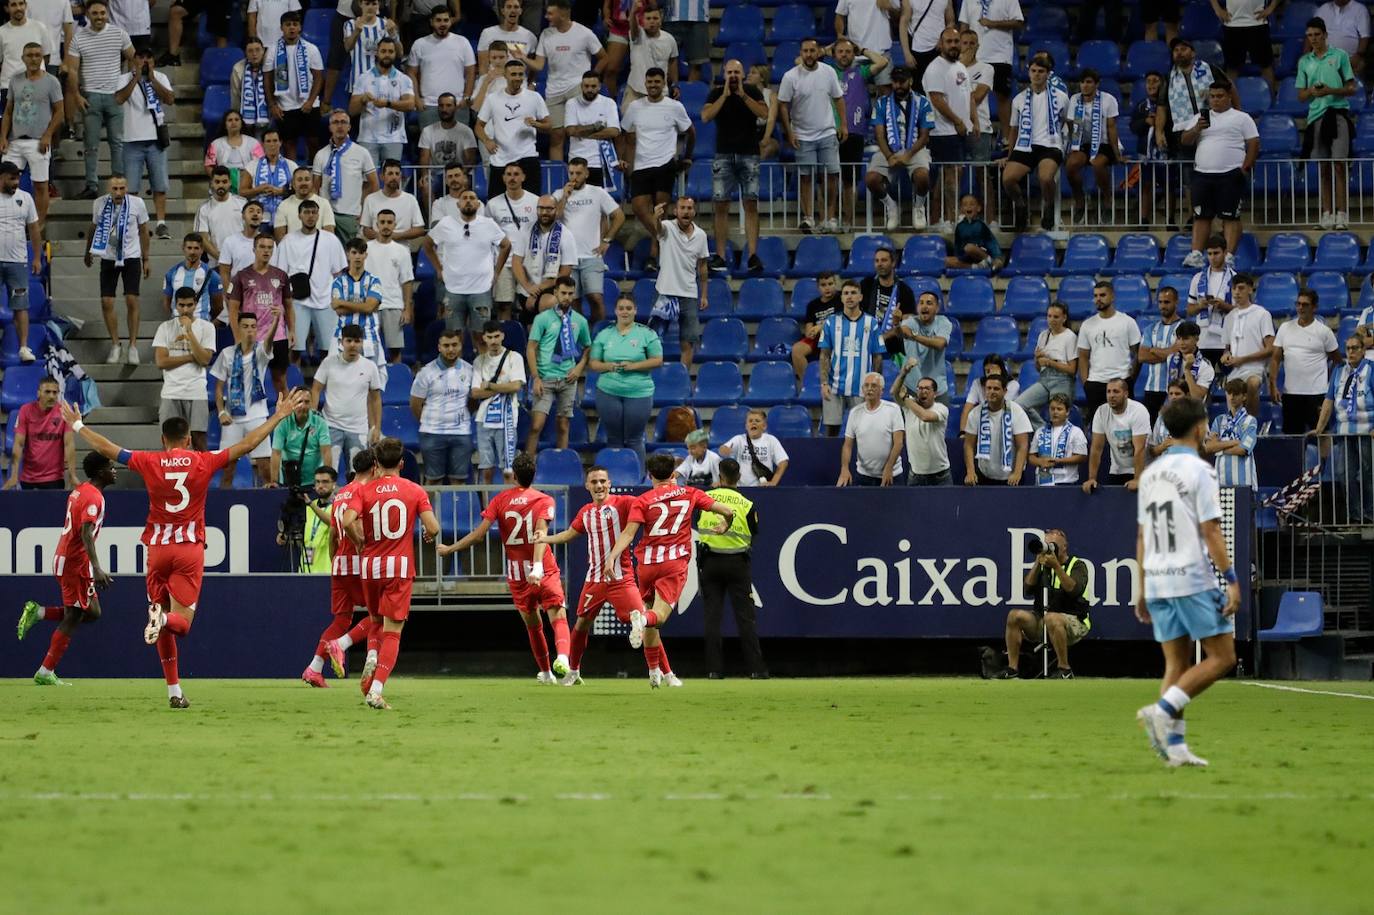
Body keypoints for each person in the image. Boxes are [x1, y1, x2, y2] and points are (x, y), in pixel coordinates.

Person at [62, 390, 306, 707]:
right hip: (188, 549)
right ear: (188, 439)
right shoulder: (203, 461)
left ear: (164, 440)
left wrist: (78, 426)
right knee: (180, 624)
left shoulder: (149, 461)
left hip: (156, 550)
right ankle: (162, 624)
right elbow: (246, 446)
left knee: (162, 618)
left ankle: (174, 692)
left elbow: (108, 449)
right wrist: (278, 415)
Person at [1135, 395, 1242, 768]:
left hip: (1159, 577)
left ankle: (1175, 749)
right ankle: (1162, 710)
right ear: (1200, 428)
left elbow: (1142, 536)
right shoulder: (1201, 471)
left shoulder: (1149, 473)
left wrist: (1142, 587)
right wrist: (1230, 578)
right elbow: (1211, 529)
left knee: (1176, 665)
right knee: (1223, 656)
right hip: (1191, 577)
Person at [604, 452, 736, 687]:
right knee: (657, 618)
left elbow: (628, 534)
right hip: (673, 564)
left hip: (646, 565)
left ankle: (654, 672)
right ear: (674, 474)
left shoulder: (642, 501)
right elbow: (727, 511)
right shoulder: (690, 493)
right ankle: (641, 621)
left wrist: (612, 557)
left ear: (650, 475)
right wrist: (725, 525)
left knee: (649, 619)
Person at [439, 452, 571, 682]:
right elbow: (541, 534)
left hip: (517, 573)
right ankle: (562, 658)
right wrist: (537, 566)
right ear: (534, 474)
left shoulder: (500, 500)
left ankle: (547, 672)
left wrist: (450, 548)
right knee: (557, 614)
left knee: (533, 624)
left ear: (514, 476)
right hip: (544, 567)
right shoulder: (544, 500)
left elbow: (479, 535)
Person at [341, 436, 441, 709]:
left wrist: (358, 540)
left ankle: (372, 653)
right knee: (393, 632)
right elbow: (433, 528)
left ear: (375, 463)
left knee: (375, 621)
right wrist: (426, 533)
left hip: (370, 567)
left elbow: (347, 520)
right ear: (401, 463)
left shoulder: (364, 491)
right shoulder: (414, 490)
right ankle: (376, 690)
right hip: (398, 567)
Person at [534, 464, 645, 684]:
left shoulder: (624, 503)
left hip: (621, 577)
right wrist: (545, 538)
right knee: (581, 624)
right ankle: (573, 672)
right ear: (587, 485)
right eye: (594, 482)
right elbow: (568, 534)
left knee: (641, 619)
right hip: (594, 579)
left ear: (610, 483)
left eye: (603, 481)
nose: (599, 485)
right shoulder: (585, 512)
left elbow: (647, 504)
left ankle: (662, 670)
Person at [15, 451, 116, 685]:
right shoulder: (93, 498)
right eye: (110, 467)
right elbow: (86, 532)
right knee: (74, 615)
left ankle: (38, 612)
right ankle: (45, 671)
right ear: (100, 471)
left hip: (67, 558)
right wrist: (96, 567)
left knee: (92, 612)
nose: (114, 471)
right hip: (74, 563)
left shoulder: (80, 490)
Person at [692, 457, 768, 679]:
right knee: (746, 617)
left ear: (720, 476)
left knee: (712, 618)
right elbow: (754, 532)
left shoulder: (706, 499)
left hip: (710, 564)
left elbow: (697, 522)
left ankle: (714, 670)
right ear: (739, 477)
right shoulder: (747, 504)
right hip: (738, 564)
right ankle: (757, 669)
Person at [301, 450, 372, 686]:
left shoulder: (341, 494)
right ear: (374, 468)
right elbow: (355, 527)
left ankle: (314, 668)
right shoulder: (364, 492)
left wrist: (335, 561)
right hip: (356, 563)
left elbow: (333, 533)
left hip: (339, 563)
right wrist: (362, 547)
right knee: (382, 616)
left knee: (341, 620)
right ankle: (343, 646)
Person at [621, 67, 693, 270]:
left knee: (660, 211)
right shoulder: (635, 106)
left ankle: (653, 256)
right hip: (642, 164)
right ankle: (666, 239)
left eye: (657, 82)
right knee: (638, 207)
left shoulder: (674, 107)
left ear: (664, 84)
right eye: (650, 82)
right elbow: (625, 133)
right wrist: (625, 160)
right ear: (645, 84)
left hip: (665, 163)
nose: (653, 85)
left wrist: (687, 157)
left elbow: (691, 132)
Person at [997, 528, 1090, 679]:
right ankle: (1012, 668)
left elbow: (1073, 590)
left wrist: (1057, 567)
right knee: (1014, 616)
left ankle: (1065, 670)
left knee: (1052, 618)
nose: (1049, 550)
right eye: (1046, 545)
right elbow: (1027, 588)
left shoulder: (1077, 565)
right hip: (1043, 620)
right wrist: (1036, 564)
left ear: (1064, 547)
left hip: (1073, 622)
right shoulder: (1042, 566)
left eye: (1053, 545)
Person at [1182, 78, 1257, 263]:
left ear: (1229, 97)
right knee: (1201, 216)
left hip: (1230, 174)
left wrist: (1245, 168)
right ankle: (1196, 254)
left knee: (1230, 217)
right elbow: (1185, 140)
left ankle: (1229, 256)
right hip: (1202, 174)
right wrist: (1196, 129)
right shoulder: (1200, 117)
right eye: (1212, 96)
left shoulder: (1241, 118)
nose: (1215, 100)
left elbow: (1254, 143)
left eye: (1220, 96)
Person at [423, 188, 510, 347]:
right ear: (458, 204)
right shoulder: (446, 223)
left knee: (482, 336)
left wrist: (497, 271)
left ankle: (482, 371)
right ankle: (457, 371)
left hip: (481, 289)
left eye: (472, 198)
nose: (468, 201)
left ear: (478, 204)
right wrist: (438, 268)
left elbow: (506, 245)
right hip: (453, 289)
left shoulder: (488, 224)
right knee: (454, 337)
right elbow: (427, 244)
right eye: (464, 198)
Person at [703, 58, 768, 272]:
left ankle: (752, 255)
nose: (733, 76)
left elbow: (764, 114)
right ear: (724, 74)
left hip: (749, 153)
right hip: (723, 154)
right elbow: (705, 117)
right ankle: (720, 256)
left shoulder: (752, 91)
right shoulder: (716, 93)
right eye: (729, 72)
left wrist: (742, 95)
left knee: (750, 204)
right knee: (720, 205)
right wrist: (724, 96)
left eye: (736, 73)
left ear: (742, 75)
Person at [64, 0, 133, 200]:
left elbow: (134, 58)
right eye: (95, 13)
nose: (99, 16)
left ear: (108, 13)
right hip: (91, 96)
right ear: (87, 14)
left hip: (115, 96)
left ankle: (119, 184)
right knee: (90, 145)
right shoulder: (78, 37)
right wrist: (76, 96)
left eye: (103, 13)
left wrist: (126, 84)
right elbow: (73, 70)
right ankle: (91, 185)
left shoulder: (119, 33)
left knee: (117, 143)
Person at [779, 38, 846, 234]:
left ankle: (830, 217)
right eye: (805, 51)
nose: (809, 54)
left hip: (827, 132)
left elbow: (839, 98)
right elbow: (783, 104)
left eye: (812, 50)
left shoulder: (829, 72)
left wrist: (843, 124)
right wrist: (789, 132)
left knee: (832, 176)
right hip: (802, 135)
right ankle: (808, 217)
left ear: (818, 52)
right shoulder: (790, 77)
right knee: (806, 177)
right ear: (801, 53)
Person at [526, 0, 604, 161]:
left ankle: (583, 172)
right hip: (554, 91)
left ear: (563, 14)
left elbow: (604, 58)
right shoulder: (546, 35)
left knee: (579, 133)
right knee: (556, 136)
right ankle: (558, 177)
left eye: (550, 13)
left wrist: (591, 79)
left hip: (577, 88)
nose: (546, 17)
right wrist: (522, 58)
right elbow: (539, 65)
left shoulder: (584, 33)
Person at [1298, 16, 1357, 230]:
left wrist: (1330, 91)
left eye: (1316, 35)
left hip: (1338, 115)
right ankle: (1326, 214)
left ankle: (1342, 214)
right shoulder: (1304, 61)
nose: (1313, 39)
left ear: (1325, 35)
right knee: (1324, 167)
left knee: (1339, 164)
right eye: (1309, 36)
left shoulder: (1340, 56)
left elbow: (1352, 88)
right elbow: (1301, 96)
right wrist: (1312, 92)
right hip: (1315, 118)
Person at [591, 294, 663, 467]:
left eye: (629, 308)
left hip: (639, 392)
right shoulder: (604, 334)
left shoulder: (647, 334)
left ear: (635, 310)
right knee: (614, 438)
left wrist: (633, 366)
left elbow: (658, 360)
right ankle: (614, 478)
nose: (625, 312)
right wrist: (608, 366)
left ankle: (637, 479)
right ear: (615, 311)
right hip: (608, 391)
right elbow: (594, 363)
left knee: (634, 439)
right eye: (621, 308)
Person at [211, 309, 280, 487]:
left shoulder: (261, 353)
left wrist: (275, 321)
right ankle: (224, 507)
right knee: (228, 468)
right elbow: (218, 388)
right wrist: (220, 413)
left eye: (253, 327)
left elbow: (269, 341)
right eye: (245, 326)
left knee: (265, 468)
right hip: (232, 418)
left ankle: (267, 508)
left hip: (257, 417)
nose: (250, 330)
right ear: (238, 329)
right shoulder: (226, 354)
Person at [86, 174, 149, 366]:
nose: (119, 192)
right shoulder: (99, 203)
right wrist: (87, 250)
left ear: (127, 187)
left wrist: (146, 258)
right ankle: (115, 344)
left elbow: (144, 231)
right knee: (106, 301)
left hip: (131, 256)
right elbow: (93, 227)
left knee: (131, 299)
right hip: (108, 256)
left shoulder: (137, 203)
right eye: (115, 188)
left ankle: (133, 346)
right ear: (108, 188)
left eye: (122, 188)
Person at [273, 199, 347, 362]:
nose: (310, 216)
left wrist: (339, 299)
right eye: (306, 212)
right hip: (298, 302)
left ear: (318, 215)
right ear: (299, 215)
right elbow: (280, 274)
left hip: (325, 299)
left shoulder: (331, 240)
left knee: (329, 350)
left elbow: (339, 273)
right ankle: (295, 382)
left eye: (314, 212)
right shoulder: (288, 241)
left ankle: (326, 382)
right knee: (295, 348)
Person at [552, 156, 624, 321]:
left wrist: (607, 240)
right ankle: (581, 337)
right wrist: (564, 197)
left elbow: (619, 216)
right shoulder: (558, 194)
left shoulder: (597, 192)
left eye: (578, 173)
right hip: (567, 258)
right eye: (571, 173)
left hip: (592, 256)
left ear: (586, 173)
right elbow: (554, 219)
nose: (574, 177)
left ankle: (598, 333)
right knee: (573, 301)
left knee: (595, 298)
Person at [1002, 52, 1067, 232]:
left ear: (1048, 74)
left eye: (1041, 71)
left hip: (1050, 145)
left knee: (1045, 178)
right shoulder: (1019, 99)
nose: (1036, 74)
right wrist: (1010, 154)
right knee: (1008, 179)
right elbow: (1014, 129)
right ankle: (1021, 206)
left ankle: (1048, 205)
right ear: (1029, 73)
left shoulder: (1061, 96)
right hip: (1025, 145)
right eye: (1033, 71)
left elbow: (1066, 122)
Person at [828, 38, 889, 231]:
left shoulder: (860, 73)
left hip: (855, 132)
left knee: (849, 180)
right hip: (829, 132)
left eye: (848, 52)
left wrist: (862, 48)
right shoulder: (826, 73)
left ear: (854, 54)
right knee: (829, 180)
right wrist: (825, 49)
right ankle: (828, 219)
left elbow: (882, 62)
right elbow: (799, 62)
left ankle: (848, 221)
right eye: (840, 52)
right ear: (834, 54)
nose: (844, 55)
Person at [525, 276, 591, 452]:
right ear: (555, 293)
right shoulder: (542, 318)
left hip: (568, 378)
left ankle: (561, 463)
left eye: (570, 294)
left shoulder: (580, 321)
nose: (567, 297)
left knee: (563, 425)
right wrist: (536, 377)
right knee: (536, 425)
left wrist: (579, 367)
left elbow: (588, 347)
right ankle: (526, 468)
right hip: (545, 377)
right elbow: (531, 348)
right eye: (563, 293)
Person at [1314, 334, 1374, 524]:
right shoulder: (1339, 372)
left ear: (1364, 350)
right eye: (1348, 348)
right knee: (1343, 474)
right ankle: (1355, 516)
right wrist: (1319, 428)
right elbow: (1329, 401)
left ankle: (1370, 514)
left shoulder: (1372, 370)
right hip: (1345, 432)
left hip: (1367, 433)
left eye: (1355, 348)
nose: (1351, 352)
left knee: (1367, 474)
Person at [865, 66, 933, 231]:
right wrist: (889, 156)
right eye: (895, 81)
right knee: (871, 179)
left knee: (923, 176)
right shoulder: (882, 103)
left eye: (902, 81)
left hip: (915, 149)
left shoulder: (922, 102)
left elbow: (925, 136)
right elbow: (879, 134)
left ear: (910, 81)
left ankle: (919, 206)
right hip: (889, 149)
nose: (899, 85)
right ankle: (891, 206)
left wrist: (908, 155)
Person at [1, 42, 62, 227]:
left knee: (40, 186)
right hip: (15, 140)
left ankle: (37, 227)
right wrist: (2, 137)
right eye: (30, 55)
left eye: (37, 55)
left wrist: (47, 135)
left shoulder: (52, 81)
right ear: (23, 58)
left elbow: (60, 112)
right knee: (5, 183)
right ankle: (7, 222)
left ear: (42, 57)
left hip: (38, 141)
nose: (34, 59)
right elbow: (9, 111)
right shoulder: (15, 80)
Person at [311, 323, 383, 472]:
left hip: (359, 429)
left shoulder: (370, 366)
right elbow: (316, 389)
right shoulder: (328, 363)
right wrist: (313, 419)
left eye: (357, 341)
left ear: (362, 342)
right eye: (349, 340)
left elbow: (376, 399)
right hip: (330, 426)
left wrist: (376, 428)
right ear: (341, 342)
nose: (352, 345)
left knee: (358, 476)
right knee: (328, 475)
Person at [229, 232, 293, 397]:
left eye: (270, 248)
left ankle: (286, 419)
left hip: (277, 336)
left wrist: (292, 331)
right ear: (254, 249)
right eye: (262, 247)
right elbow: (233, 310)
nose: (266, 251)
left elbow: (289, 306)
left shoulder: (281, 276)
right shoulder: (241, 277)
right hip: (251, 337)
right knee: (248, 379)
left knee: (280, 381)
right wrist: (238, 337)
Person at [153, 287, 216, 452]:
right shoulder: (165, 328)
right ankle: (169, 477)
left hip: (196, 391)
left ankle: (202, 477)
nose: (185, 309)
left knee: (199, 440)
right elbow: (161, 361)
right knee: (169, 441)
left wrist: (189, 331)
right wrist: (190, 357)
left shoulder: (207, 327)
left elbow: (205, 359)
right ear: (176, 305)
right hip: (171, 392)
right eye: (181, 305)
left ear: (195, 304)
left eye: (189, 305)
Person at [649, 195, 709, 366]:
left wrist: (704, 294)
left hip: (689, 294)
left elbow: (703, 267)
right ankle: (651, 382)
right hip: (665, 291)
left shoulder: (701, 235)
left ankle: (683, 381)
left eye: (689, 208)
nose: (685, 211)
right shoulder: (667, 227)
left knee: (687, 342)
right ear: (676, 211)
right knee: (654, 342)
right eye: (682, 208)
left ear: (694, 211)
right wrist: (656, 218)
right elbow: (658, 229)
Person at [819, 279, 883, 437]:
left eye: (853, 293)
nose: (849, 297)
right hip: (834, 385)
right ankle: (832, 461)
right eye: (846, 293)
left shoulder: (872, 323)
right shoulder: (830, 322)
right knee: (832, 431)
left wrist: (875, 382)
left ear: (860, 297)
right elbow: (824, 355)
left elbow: (877, 357)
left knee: (862, 432)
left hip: (862, 386)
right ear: (841, 298)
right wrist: (824, 382)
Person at [410, 328, 474, 484]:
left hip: (461, 432)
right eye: (446, 345)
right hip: (432, 432)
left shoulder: (470, 370)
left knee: (458, 482)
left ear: (460, 346)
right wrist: (429, 421)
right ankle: (429, 510)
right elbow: (415, 404)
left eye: (454, 345)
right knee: (433, 481)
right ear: (439, 347)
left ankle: (456, 510)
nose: (451, 349)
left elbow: (473, 401)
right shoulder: (426, 372)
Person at [1271, 288, 1340, 434]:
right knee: (1292, 439)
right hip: (1291, 394)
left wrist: (1330, 385)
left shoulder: (1324, 331)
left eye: (1305, 305)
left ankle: (1324, 459)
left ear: (1314, 307)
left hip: (1317, 393)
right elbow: (1275, 359)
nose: (1300, 308)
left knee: (1322, 434)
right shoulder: (1284, 328)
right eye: (1298, 304)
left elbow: (1338, 361)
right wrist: (1273, 385)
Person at [922, 27, 972, 230]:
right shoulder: (935, 68)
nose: (953, 45)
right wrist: (958, 121)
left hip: (958, 132)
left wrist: (972, 122)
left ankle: (944, 218)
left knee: (952, 176)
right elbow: (936, 100)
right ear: (940, 44)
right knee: (949, 177)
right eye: (949, 41)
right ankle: (948, 219)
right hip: (943, 132)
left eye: (956, 41)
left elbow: (968, 96)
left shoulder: (961, 66)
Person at [1167, 38, 1214, 252]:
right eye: (1176, 50)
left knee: (1212, 172)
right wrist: (1159, 130)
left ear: (1193, 52)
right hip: (1183, 130)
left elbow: (1229, 90)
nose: (1179, 53)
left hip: (1209, 127)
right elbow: (1161, 105)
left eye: (1183, 49)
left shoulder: (1208, 69)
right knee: (1188, 177)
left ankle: (1214, 215)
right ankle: (1191, 214)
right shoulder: (1171, 76)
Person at [475, 59, 548, 194]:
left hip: (528, 157)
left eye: (521, 74)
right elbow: (478, 126)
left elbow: (549, 125)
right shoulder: (492, 98)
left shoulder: (535, 97)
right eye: (513, 74)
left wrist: (536, 124)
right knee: (495, 205)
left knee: (532, 205)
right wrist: (486, 140)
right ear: (505, 75)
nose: (517, 78)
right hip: (500, 160)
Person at [1077, 280, 1141, 426]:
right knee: (1098, 428)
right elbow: (1083, 356)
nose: (1098, 299)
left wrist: (1130, 379)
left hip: (1122, 380)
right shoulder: (1087, 325)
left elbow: (1138, 354)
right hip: (1095, 383)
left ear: (1112, 297)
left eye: (1102, 295)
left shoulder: (1127, 322)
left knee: (1126, 425)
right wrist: (1086, 383)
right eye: (1095, 295)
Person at [263, 10, 324, 161]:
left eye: (295, 24)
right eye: (288, 24)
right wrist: (272, 105)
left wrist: (310, 101)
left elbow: (318, 78)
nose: (291, 28)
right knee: (289, 144)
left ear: (300, 27)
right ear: (281, 28)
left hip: (309, 104)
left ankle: (314, 176)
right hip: (285, 105)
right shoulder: (272, 50)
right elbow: (268, 79)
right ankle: (293, 180)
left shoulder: (311, 49)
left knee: (313, 142)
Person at [471, 319, 526, 484]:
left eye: (497, 336)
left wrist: (489, 385)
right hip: (484, 419)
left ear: (502, 336)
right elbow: (475, 392)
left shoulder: (513, 357)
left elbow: (516, 386)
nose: (494, 340)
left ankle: (508, 507)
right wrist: (503, 387)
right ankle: (487, 508)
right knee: (486, 468)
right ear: (484, 338)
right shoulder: (479, 361)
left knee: (508, 469)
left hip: (507, 419)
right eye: (490, 337)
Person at [312, 111, 379, 244]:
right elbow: (315, 187)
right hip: (327, 214)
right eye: (335, 122)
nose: (340, 126)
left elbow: (374, 184)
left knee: (350, 256)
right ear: (330, 127)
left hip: (351, 214)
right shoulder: (321, 154)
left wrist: (364, 212)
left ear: (349, 127)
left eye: (343, 122)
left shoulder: (362, 153)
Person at [511, 194, 580, 321]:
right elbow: (516, 262)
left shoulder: (566, 235)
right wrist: (528, 287)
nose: (544, 212)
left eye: (549, 209)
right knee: (532, 335)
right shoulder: (525, 229)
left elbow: (565, 272)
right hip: (527, 289)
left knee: (550, 303)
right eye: (541, 208)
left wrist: (538, 290)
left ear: (556, 210)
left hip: (552, 289)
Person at [1064, 69, 1120, 224]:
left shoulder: (1108, 99)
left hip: (1104, 142)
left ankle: (1107, 201)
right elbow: (1072, 125)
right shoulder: (1075, 99)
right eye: (1082, 82)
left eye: (1089, 82)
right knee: (1071, 165)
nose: (1085, 85)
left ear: (1097, 84)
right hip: (1083, 142)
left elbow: (1112, 128)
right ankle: (1080, 202)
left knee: (1097, 164)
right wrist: (1073, 146)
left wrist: (1116, 153)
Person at [956, 0, 1020, 136]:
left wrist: (993, 23)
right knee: (970, 93)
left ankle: (1007, 138)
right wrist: (960, 49)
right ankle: (968, 128)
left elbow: (1018, 22)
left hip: (999, 54)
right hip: (974, 54)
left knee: (1002, 96)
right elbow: (964, 25)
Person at [405, 7, 475, 130]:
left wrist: (466, 97)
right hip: (429, 105)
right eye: (438, 20)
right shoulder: (419, 44)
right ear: (431, 22)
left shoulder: (462, 42)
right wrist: (417, 99)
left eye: (445, 20)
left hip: (458, 104)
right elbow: (411, 73)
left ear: (450, 21)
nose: (442, 24)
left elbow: (470, 72)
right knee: (429, 148)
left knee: (460, 147)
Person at [484, 164, 540, 315]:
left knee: (530, 306)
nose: (512, 177)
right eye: (508, 174)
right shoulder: (493, 204)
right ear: (503, 178)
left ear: (523, 177)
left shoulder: (535, 201)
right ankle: (505, 337)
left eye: (516, 174)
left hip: (528, 262)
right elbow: (488, 236)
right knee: (504, 305)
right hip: (503, 263)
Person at [2, 375, 75, 490]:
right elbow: (18, 444)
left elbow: (69, 444)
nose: (51, 396)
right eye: (47, 392)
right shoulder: (25, 411)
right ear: (38, 393)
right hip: (28, 478)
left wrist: (72, 475)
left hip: (54, 479)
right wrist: (14, 475)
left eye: (55, 393)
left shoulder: (65, 412)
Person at [328, 0, 399, 118]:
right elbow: (347, 48)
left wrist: (393, 34)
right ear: (360, 4)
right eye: (367, 3)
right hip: (357, 83)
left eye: (373, 3)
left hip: (383, 84)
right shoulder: (350, 24)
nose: (370, 7)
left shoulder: (387, 25)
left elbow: (400, 53)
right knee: (357, 126)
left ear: (379, 5)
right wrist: (357, 31)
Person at [0, 161, 40, 363]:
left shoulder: (26, 198)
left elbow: (33, 228)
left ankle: (24, 347)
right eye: (12, 178)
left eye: (17, 178)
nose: (16, 182)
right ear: (2, 177)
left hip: (17, 262)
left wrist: (37, 257)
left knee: (21, 306)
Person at [1219, 273, 1274, 416]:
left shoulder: (1262, 314)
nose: (1237, 292)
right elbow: (1227, 349)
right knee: (1232, 399)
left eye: (1241, 288)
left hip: (1254, 367)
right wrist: (1226, 356)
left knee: (1252, 384)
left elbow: (1270, 349)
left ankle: (1251, 424)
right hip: (1235, 370)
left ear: (1250, 289)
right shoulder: (1230, 317)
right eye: (1234, 288)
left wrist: (1242, 359)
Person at [837, 371, 905, 486]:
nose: (869, 389)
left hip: (892, 475)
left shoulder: (893, 410)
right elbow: (847, 445)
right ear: (862, 389)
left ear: (881, 390)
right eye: (866, 386)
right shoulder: (854, 413)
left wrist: (888, 468)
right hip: (863, 476)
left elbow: (898, 443)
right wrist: (844, 468)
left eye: (874, 386)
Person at [1083, 377, 1151, 492]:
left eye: (1116, 391)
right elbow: (1096, 448)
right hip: (1118, 469)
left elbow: (1140, 448)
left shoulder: (1138, 411)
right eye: (1108, 391)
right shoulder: (1101, 412)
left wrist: (1138, 479)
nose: (1111, 395)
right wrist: (1092, 478)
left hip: (1144, 469)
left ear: (1126, 393)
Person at [1015, 301, 1076, 427]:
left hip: (1062, 380)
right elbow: (1038, 368)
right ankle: (1043, 430)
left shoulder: (1070, 337)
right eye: (1049, 316)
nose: (1052, 320)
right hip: (1044, 378)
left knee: (1058, 416)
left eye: (1056, 317)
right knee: (1018, 405)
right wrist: (1037, 360)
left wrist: (1050, 362)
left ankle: (1056, 436)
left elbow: (1072, 369)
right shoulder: (1043, 335)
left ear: (1064, 318)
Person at [364, 210, 415, 363]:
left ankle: (395, 381)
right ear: (376, 224)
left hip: (393, 304)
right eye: (382, 222)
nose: (386, 226)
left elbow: (407, 282)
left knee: (395, 350)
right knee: (368, 349)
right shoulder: (366, 248)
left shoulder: (402, 251)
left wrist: (406, 308)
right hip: (369, 305)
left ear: (395, 224)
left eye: (389, 222)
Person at [963, 373, 1031, 485]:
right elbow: (968, 445)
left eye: (996, 388)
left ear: (1005, 391)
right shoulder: (975, 413)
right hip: (985, 474)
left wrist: (1017, 473)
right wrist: (970, 472)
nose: (992, 391)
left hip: (1012, 477)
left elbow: (1022, 446)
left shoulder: (1016, 411)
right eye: (988, 388)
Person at [330, 236, 386, 373]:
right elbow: (339, 311)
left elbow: (369, 307)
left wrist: (342, 302)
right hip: (342, 338)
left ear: (366, 255)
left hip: (368, 337)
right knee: (341, 379)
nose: (358, 257)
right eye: (354, 252)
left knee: (370, 381)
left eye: (361, 253)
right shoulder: (338, 282)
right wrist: (364, 305)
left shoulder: (374, 280)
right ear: (347, 254)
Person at [415, 92, 478, 210]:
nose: (444, 109)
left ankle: (463, 219)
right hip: (436, 174)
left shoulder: (465, 131)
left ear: (455, 107)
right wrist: (424, 175)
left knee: (464, 182)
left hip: (459, 172)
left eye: (448, 105)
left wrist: (462, 174)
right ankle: (432, 222)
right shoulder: (428, 131)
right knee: (426, 186)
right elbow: (424, 157)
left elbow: (471, 159)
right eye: (441, 105)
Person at [562, 70, 621, 188]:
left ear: (599, 86)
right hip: (576, 162)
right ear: (581, 86)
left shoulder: (608, 103)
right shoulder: (572, 103)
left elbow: (614, 131)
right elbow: (571, 131)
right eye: (586, 86)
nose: (589, 89)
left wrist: (582, 132)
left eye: (593, 86)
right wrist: (595, 127)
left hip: (600, 162)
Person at [892, 368, 951, 485]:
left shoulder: (941, 409)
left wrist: (906, 398)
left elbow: (925, 416)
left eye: (927, 388)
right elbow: (895, 392)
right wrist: (904, 373)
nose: (923, 391)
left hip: (940, 475)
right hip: (915, 474)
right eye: (920, 388)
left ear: (935, 393)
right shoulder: (909, 405)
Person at [269, 384, 333, 487]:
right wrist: (274, 481)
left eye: (307, 402)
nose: (303, 406)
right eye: (299, 401)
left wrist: (327, 480)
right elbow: (276, 453)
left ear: (312, 404)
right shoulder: (283, 422)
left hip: (313, 482)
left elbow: (326, 452)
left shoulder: (320, 422)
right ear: (292, 404)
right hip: (288, 480)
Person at [1136, 285, 1183, 422]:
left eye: (1167, 302)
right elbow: (1142, 356)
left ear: (1176, 302)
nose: (1163, 306)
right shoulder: (1150, 329)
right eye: (1160, 302)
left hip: (1175, 389)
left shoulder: (1183, 328)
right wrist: (1169, 351)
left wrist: (1154, 350)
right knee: (1151, 430)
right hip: (1152, 388)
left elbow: (1179, 353)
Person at [1186, 236, 1234, 366]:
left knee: (1228, 383)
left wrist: (1224, 306)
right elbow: (1189, 310)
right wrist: (1200, 306)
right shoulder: (1198, 278)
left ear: (1225, 253)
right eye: (1210, 254)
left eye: (1216, 253)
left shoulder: (1234, 278)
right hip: (1203, 340)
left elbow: (1242, 311)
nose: (1213, 257)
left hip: (1226, 340)